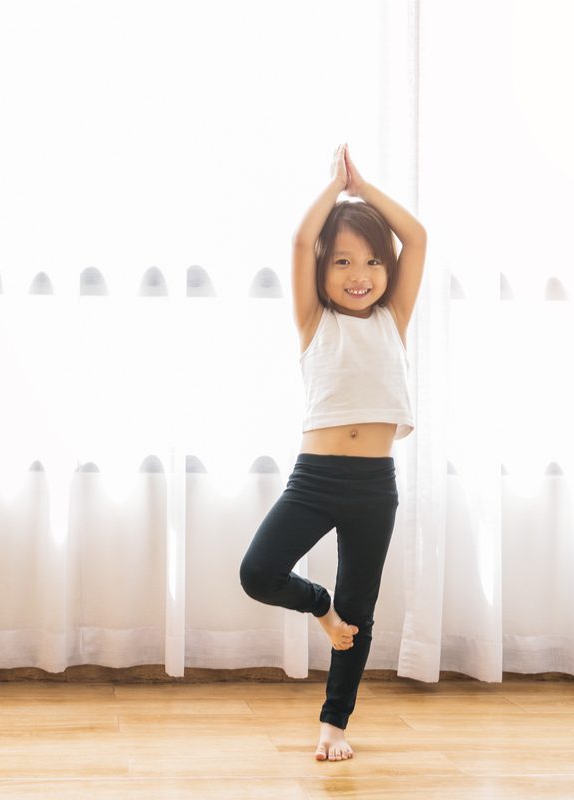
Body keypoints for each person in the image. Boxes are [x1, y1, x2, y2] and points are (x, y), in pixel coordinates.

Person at [239, 143, 427, 762]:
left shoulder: (392, 318)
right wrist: (333, 188)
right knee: (259, 572)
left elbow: (417, 238)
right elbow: (299, 242)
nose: (360, 273)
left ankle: (334, 725)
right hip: (314, 478)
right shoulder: (313, 321)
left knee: (361, 610)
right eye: (343, 260)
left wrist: (364, 188)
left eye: (373, 261)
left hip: (375, 485)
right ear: (322, 269)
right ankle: (320, 607)